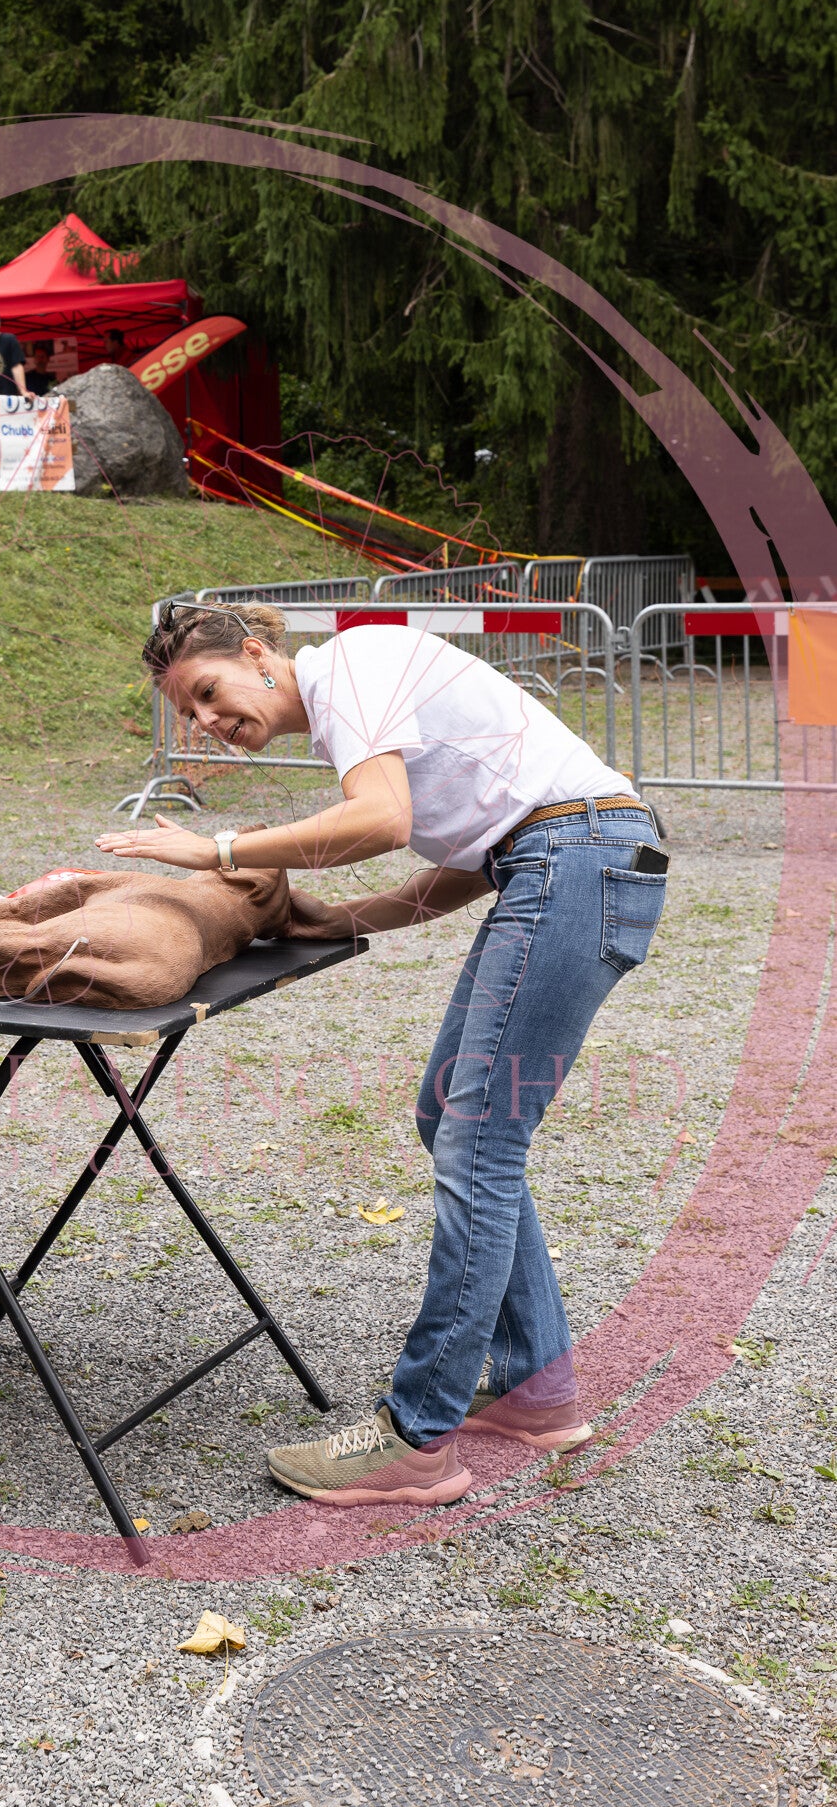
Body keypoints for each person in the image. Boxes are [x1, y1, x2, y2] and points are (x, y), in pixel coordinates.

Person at [96, 601, 668, 1510]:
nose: (204, 721)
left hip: (574, 861)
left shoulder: (351, 664)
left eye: (205, 692)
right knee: (450, 1118)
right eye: (187, 713)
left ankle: (416, 1436)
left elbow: (383, 820)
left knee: (478, 1145)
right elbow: (481, 853)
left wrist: (217, 848)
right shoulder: (353, 704)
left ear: (256, 653)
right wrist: (346, 919)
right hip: (561, 859)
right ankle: (535, 1391)